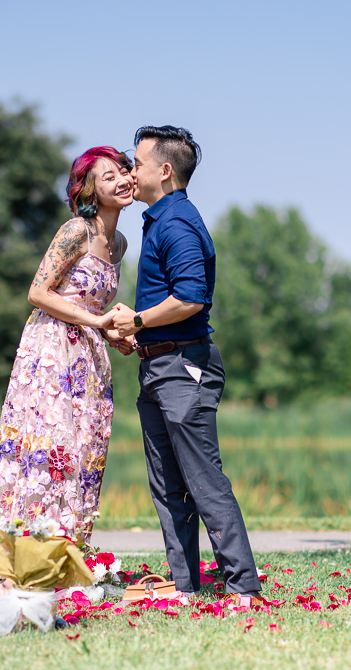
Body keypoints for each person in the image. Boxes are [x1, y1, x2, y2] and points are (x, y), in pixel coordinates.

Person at [108, 125, 261, 603]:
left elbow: (191, 298)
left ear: (165, 170)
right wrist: (141, 334)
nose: (132, 172)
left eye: (137, 163)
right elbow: (168, 305)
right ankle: (185, 584)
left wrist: (135, 320)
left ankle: (243, 587)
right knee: (168, 484)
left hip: (183, 369)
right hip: (157, 366)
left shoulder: (176, 223)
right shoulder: (158, 219)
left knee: (202, 480)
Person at [0, 146, 136, 548]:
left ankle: (67, 554)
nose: (122, 179)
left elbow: (88, 303)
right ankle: (25, 557)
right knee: (51, 448)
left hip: (88, 357)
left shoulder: (119, 243)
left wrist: (112, 333)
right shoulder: (76, 231)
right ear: (89, 191)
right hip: (52, 350)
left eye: (124, 170)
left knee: (85, 449)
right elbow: (38, 292)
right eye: (109, 176)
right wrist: (97, 322)